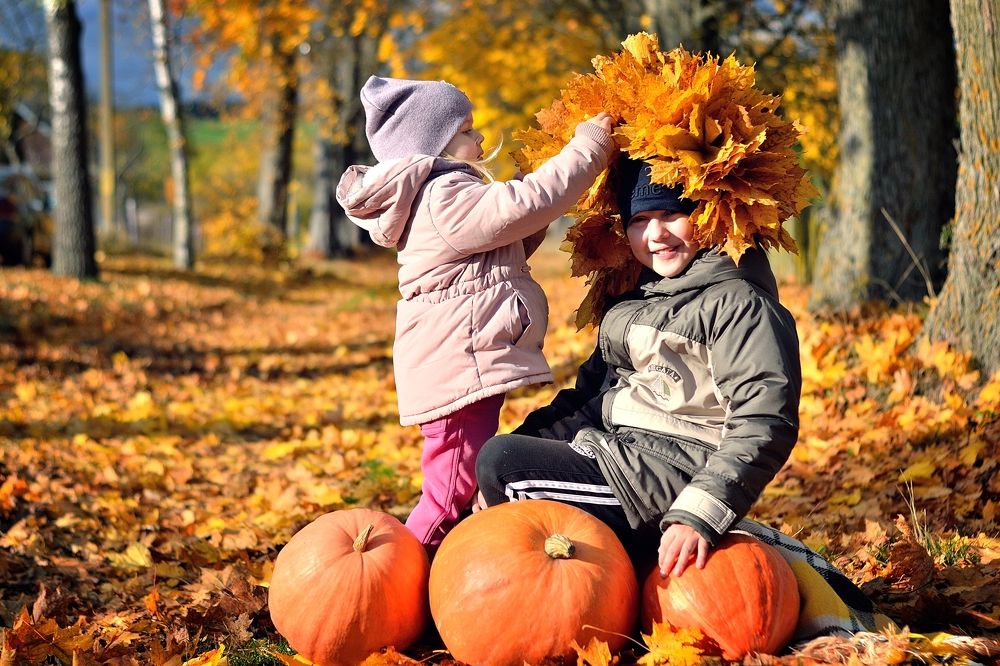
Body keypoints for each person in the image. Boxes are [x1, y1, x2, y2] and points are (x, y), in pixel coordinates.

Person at [476, 157, 802, 578]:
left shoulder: (739, 304)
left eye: (672, 215)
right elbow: (589, 399)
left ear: (708, 214)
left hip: (670, 483)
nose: (656, 234)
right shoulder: (637, 301)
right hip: (619, 457)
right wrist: (522, 447)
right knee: (500, 459)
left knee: (502, 465)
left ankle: (592, 589)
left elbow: (765, 420)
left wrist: (699, 512)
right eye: (640, 220)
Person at [336, 75, 616, 549]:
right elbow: (526, 203)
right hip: (456, 365)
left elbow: (511, 230)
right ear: (434, 147)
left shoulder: (435, 196)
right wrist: (586, 149)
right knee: (449, 493)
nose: (480, 138)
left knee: (456, 485)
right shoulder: (443, 196)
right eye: (467, 131)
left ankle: (437, 570)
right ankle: (402, 580)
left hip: (458, 360)